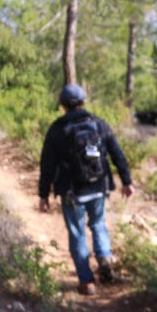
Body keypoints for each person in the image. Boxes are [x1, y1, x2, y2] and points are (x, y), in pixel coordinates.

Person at [38, 84, 135, 295]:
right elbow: (117, 153)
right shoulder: (98, 124)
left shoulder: (57, 129)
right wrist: (126, 181)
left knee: (77, 233)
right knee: (99, 224)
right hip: (99, 186)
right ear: (83, 101)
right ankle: (104, 257)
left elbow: (47, 164)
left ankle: (86, 282)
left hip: (72, 191)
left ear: (62, 104)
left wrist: (43, 194)